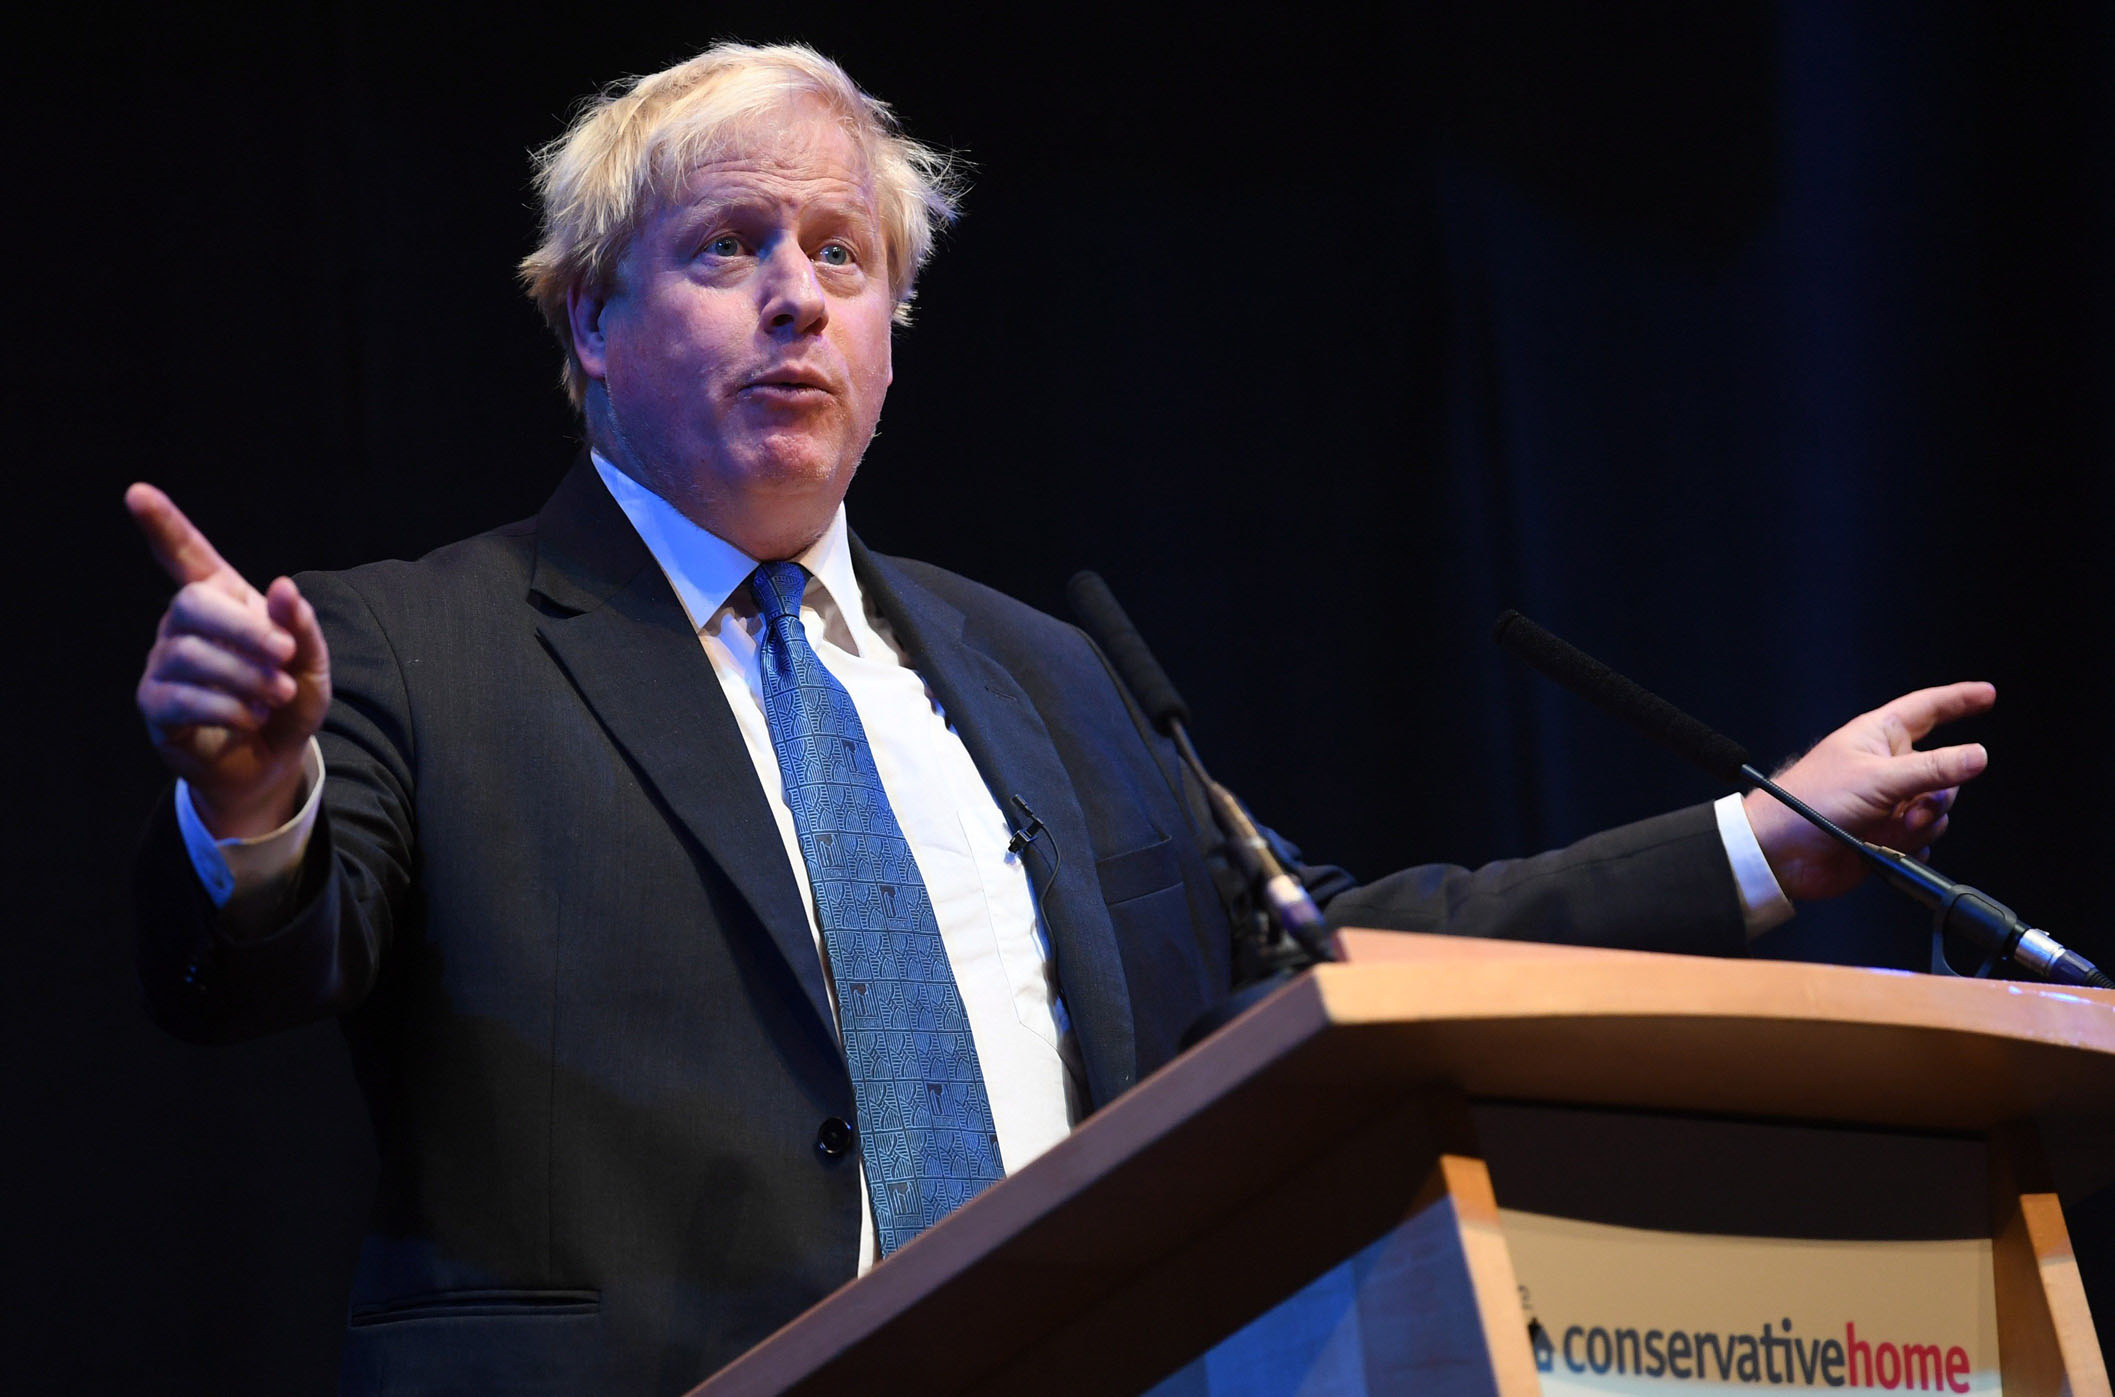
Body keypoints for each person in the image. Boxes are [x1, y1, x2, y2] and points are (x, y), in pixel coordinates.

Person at [125, 42, 1993, 1394]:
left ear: (890, 333)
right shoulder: (411, 648)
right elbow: (256, 963)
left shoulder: (1045, 672)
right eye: (728, 247)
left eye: (841, 255)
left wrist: (1761, 843)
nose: (796, 298)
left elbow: (1323, 957)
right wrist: (258, 796)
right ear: (590, 323)